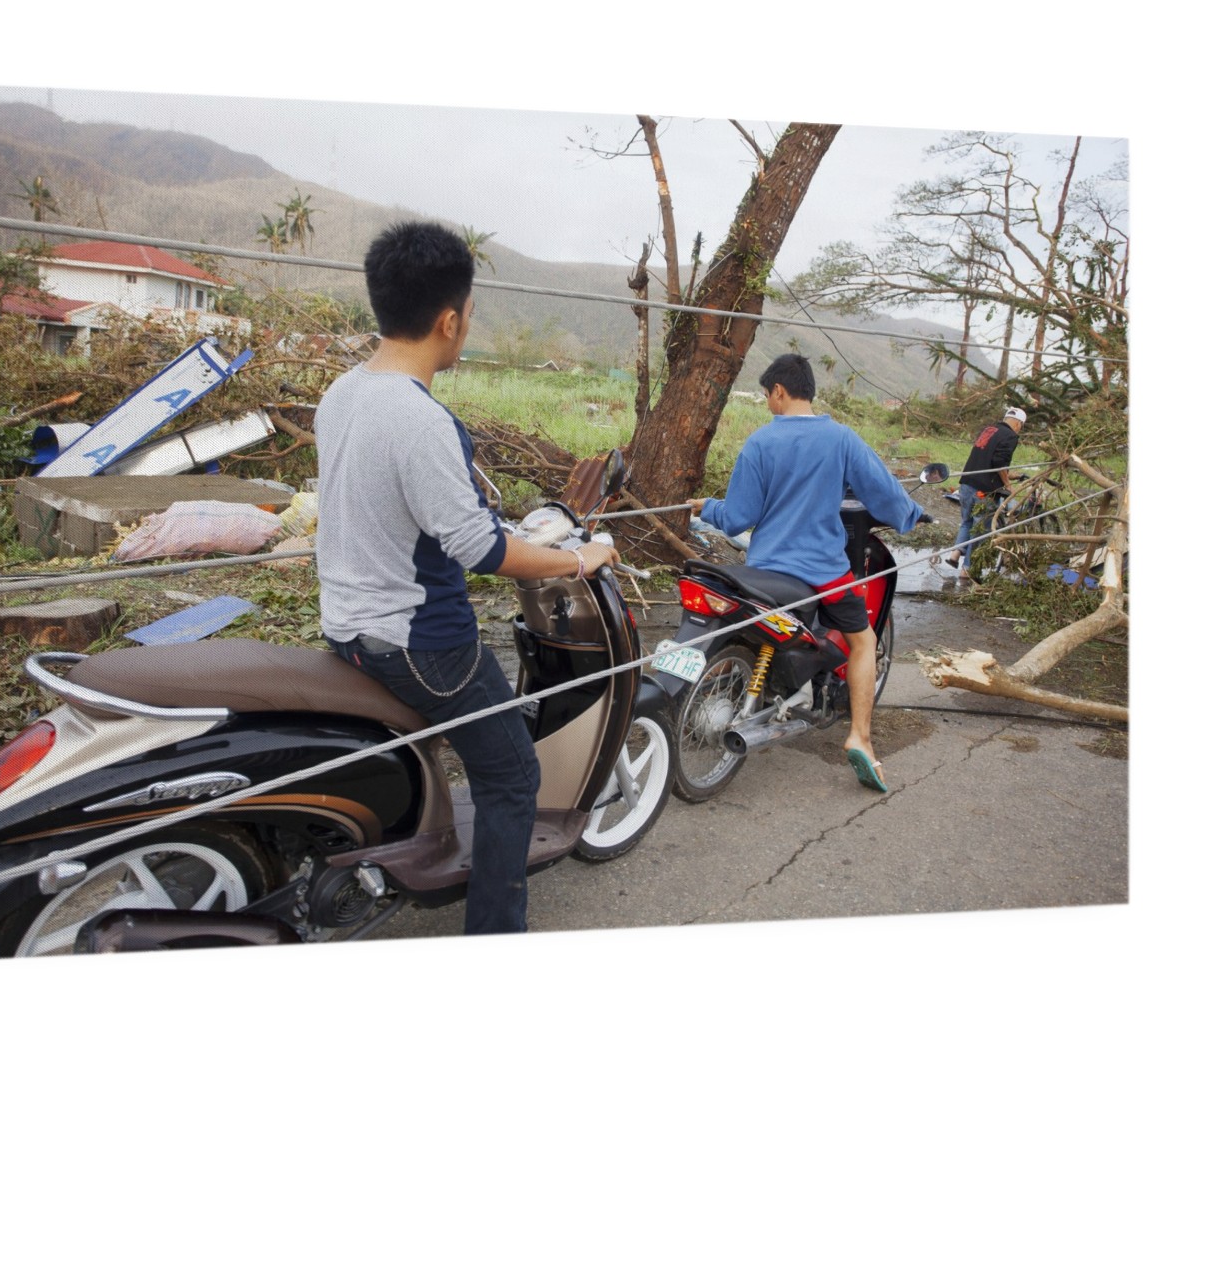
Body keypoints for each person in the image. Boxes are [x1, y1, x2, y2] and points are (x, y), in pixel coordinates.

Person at [313, 221, 620, 936]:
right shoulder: (421, 420)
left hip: (347, 627)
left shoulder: (342, 393)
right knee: (513, 775)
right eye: (470, 315)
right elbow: (482, 549)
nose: (466, 326)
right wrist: (580, 558)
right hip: (424, 645)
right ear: (450, 319)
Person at [687, 354, 927, 794]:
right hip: (823, 572)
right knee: (864, 640)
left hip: (763, 570)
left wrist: (710, 509)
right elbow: (885, 494)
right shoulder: (841, 439)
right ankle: (860, 737)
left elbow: (739, 516)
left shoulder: (759, 443)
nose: (766, 404)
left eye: (766, 395)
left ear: (779, 390)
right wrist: (913, 513)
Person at [945, 406, 1026, 585]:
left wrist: (1011, 474)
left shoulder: (988, 430)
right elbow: (998, 463)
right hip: (983, 490)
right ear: (1018, 423)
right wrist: (1008, 484)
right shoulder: (1011, 436)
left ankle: (955, 554)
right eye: (1021, 425)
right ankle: (967, 570)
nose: (1019, 428)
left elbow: (989, 461)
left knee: (967, 522)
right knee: (980, 530)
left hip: (966, 483)